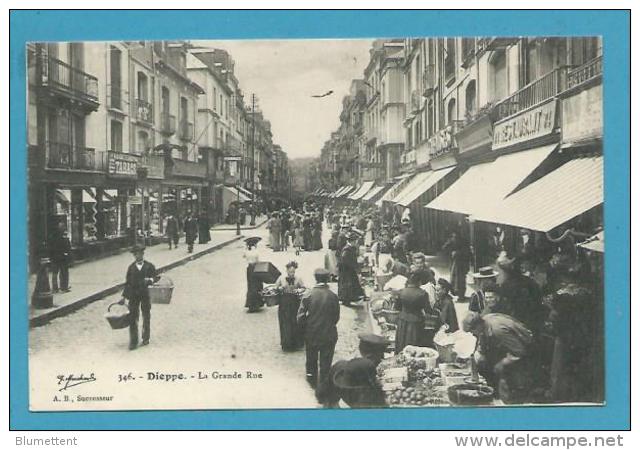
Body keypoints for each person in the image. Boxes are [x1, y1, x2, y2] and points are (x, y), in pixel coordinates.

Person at [462, 312, 534, 404]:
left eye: (472, 331)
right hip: (511, 346)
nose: (472, 334)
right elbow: (482, 341)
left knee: (508, 378)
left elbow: (519, 351)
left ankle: (512, 400)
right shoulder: (485, 322)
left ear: (478, 325)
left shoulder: (498, 330)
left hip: (526, 349)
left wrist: (502, 363)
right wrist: (478, 356)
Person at [318, 333, 389, 408]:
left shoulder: (340, 365)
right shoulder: (367, 369)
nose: (381, 358)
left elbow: (320, 393)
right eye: (380, 355)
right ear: (371, 355)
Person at [297, 268, 340, 390]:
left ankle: (311, 381)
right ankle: (324, 384)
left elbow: (300, 316)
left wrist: (305, 328)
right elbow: (336, 317)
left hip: (312, 333)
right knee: (326, 361)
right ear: (327, 279)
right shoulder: (333, 296)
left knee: (311, 358)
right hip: (329, 334)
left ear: (315, 278)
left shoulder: (308, 295)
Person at [119, 244, 159, 350]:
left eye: (140, 254)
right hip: (133, 295)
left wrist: (151, 280)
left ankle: (146, 337)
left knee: (146, 316)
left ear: (143, 254)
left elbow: (156, 277)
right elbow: (127, 283)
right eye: (135, 254)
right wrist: (124, 297)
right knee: (133, 317)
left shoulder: (149, 266)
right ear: (134, 255)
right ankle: (133, 341)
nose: (138, 256)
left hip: (145, 294)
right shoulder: (131, 268)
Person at [497, 252, 545, 334]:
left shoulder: (506, 285)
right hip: (531, 319)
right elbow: (538, 299)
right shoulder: (530, 282)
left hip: (514, 321)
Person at [395, 271, 433, 354]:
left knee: (401, 342)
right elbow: (428, 310)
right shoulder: (422, 293)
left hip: (402, 320)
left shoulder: (401, 292)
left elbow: (397, 307)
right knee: (414, 344)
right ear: (419, 282)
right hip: (416, 321)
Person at [274, 261, 306, 351]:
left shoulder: (298, 278)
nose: (292, 274)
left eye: (293, 272)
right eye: (290, 272)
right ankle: (286, 343)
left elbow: (304, 288)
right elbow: (275, 288)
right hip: (284, 302)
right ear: (287, 270)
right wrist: (280, 288)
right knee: (285, 323)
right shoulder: (281, 278)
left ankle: (295, 343)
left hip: (295, 302)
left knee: (294, 322)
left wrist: (298, 290)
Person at [337, 232, 364, 306]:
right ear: (353, 241)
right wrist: (354, 265)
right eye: (356, 241)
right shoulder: (347, 250)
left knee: (350, 285)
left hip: (348, 270)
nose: (357, 243)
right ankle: (346, 300)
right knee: (347, 285)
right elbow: (345, 260)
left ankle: (349, 298)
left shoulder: (350, 248)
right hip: (346, 271)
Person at [443, 231, 471, 301]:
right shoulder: (451, 242)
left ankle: (461, 296)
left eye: (455, 237)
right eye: (453, 236)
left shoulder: (464, 243)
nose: (454, 238)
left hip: (462, 265)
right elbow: (444, 248)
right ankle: (457, 294)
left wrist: (458, 253)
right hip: (454, 265)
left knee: (461, 281)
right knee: (454, 280)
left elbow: (468, 254)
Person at [243, 237, 264, 313]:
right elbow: (258, 260)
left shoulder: (246, 252)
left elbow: (244, 257)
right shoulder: (256, 251)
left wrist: (246, 248)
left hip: (249, 269)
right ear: (255, 244)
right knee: (257, 285)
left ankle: (250, 304)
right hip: (255, 268)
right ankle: (257, 304)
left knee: (250, 286)